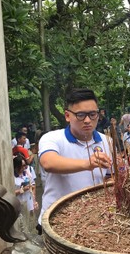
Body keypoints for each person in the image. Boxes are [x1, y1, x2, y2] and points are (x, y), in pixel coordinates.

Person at [37, 88, 113, 232]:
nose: (87, 120)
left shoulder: (106, 141)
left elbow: (110, 177)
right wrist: (87, 164)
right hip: (55, 222)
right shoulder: (52, 138)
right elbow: (49, 162)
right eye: (80, 115)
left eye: (92, 114)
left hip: (93, 224)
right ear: (67, 115)